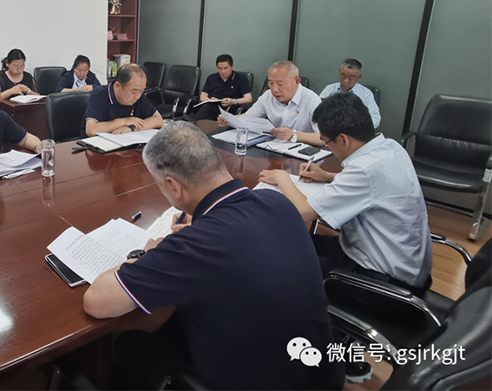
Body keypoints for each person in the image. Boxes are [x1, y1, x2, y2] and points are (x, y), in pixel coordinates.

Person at [83, 122, 342, 390]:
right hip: (322, 375)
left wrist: (149, 254)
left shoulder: (192, 247)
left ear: (173, 185)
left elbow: (96, 302)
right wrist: (200, 227)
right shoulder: (277, 203)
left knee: (129, 343)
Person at [257, 93, 432, 292]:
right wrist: (326, 176)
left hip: (381, 281)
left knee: (280, 258)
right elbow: (374, 186)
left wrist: (281, 176)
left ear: (343, 139)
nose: (327, 146)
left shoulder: (363, 170)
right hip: (403, 262)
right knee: (290, 242)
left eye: (325, 142)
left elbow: (303, 212)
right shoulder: (390, 147)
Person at [220, 60, 321, 146]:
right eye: (271, 83)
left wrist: (293, 135)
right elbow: (248, 117)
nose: (275, 89)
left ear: (297, 82)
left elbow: (324, 138)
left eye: (280, 84)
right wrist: (229, 119)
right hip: (276, 148)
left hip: (305, 152)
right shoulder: (268, 96)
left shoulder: (312, 100)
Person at [82, 64, 163, 137]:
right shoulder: (99, 94)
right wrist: (124, 121)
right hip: (93, 145)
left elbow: (158, 120)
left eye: (142, 91)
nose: (137, 96)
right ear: (117, 86)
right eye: (134, 91)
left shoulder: (138, 95)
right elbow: (91, 130)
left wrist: (131, 128)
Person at [320, 58, 381, 128]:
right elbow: (318, 110)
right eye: (343, 75)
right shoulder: (329, 89)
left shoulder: (366, 94)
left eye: (351, 77)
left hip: (354, 130)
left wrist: (354, 127)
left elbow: (375, 120)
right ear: (339, 71)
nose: (346, 81)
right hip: (331, 128)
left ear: (359, 77)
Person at [194, 54, 252, 120]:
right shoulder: (211, 78)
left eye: (226, 68)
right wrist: (209, 100)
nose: (223, 71)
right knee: (207, 109)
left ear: (232, 66)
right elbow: (203, 96)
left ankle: (192, 125)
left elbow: (249, 99)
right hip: (212, 107)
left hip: (228, 110)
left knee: (207, 110)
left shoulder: (241, 79)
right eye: (220, 68)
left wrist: (233, 101)